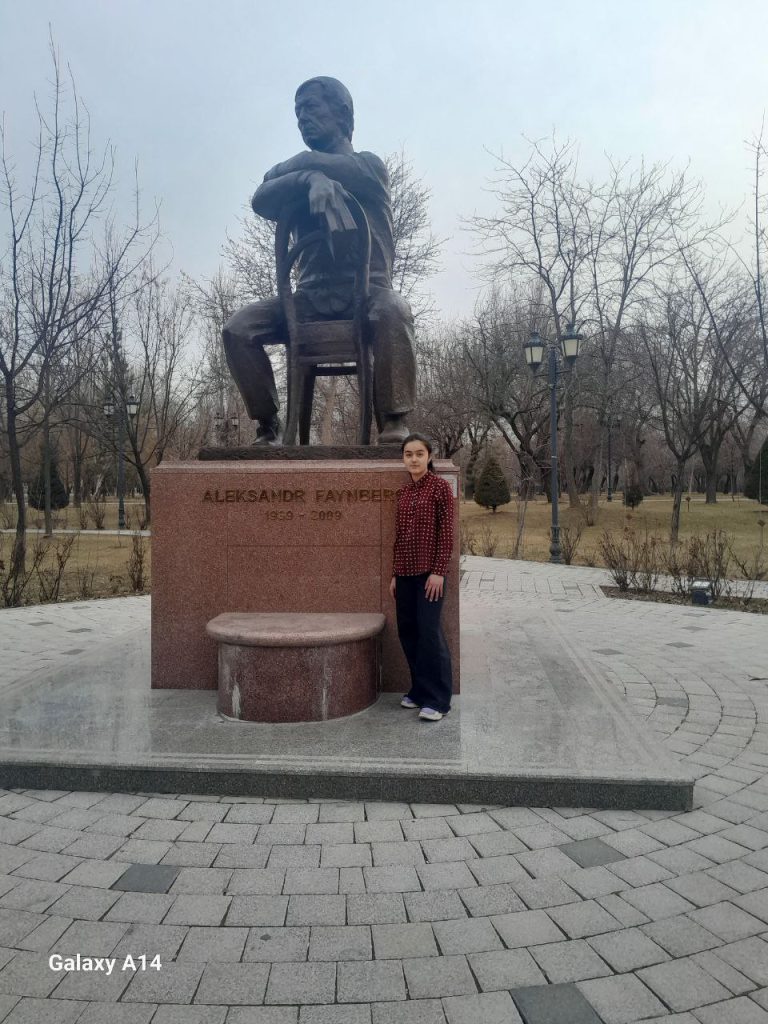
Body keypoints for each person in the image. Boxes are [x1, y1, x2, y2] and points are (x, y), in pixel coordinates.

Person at [222, 76, 416, 444]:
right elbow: (261, 197)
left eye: (310, 108)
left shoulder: (370, 167)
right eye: (297, 113)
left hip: (366, 296)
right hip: (307, 301)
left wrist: (307, 166)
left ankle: (394, 422)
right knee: (238, 328)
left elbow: (302, 168)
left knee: (395, 310)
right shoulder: (301, 180)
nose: (301, 119)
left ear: (342, 112)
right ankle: (269, 426)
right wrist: (309, 178)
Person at [389, 433, 454, 721]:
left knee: (429, 634)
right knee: (409, 633)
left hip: (430, 575)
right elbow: (400, 537)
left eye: (418, 454)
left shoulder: (440, 488)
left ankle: (438, 700)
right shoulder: (403, 493)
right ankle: (418, 690)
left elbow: (446, 534)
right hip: (404, 574)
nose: (413, 459)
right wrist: (394, 574)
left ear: (429, 457)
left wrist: (439, 571)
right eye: (408, 454)